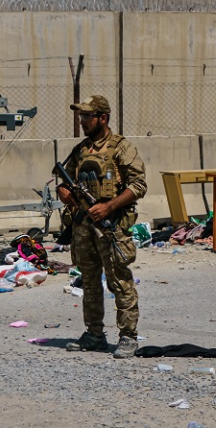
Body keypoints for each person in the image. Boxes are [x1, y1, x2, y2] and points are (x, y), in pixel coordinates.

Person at [57, 95, 146, 359]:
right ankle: (94, 334)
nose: (82, 121)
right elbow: (63, 178)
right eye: (81, 116)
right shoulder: (81, 150)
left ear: (103, 118)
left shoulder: (121, 148)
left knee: (120, 281)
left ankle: (128, 337)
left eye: (87, 116)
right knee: (90, 282)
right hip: (83, 226)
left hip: (111, 226)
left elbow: (138, 185)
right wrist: (63, 191)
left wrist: (109, 206)